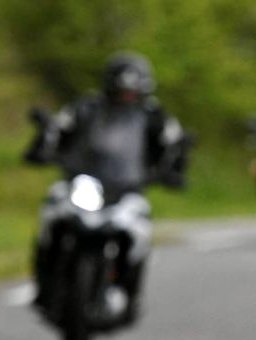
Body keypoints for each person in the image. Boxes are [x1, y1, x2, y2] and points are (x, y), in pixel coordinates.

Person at [25, 52, 189, 323]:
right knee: (51, 217)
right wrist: (43, 145)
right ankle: (45, 283)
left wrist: (174, 169)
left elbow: (174, 143)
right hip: (83, 183)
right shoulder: (86, 108)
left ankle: (130, 295)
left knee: (139, 234)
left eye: (131, 91)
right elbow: (58, 129)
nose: (126, 96)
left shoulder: (153, 116)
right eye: (121, 90)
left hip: (127, 189)